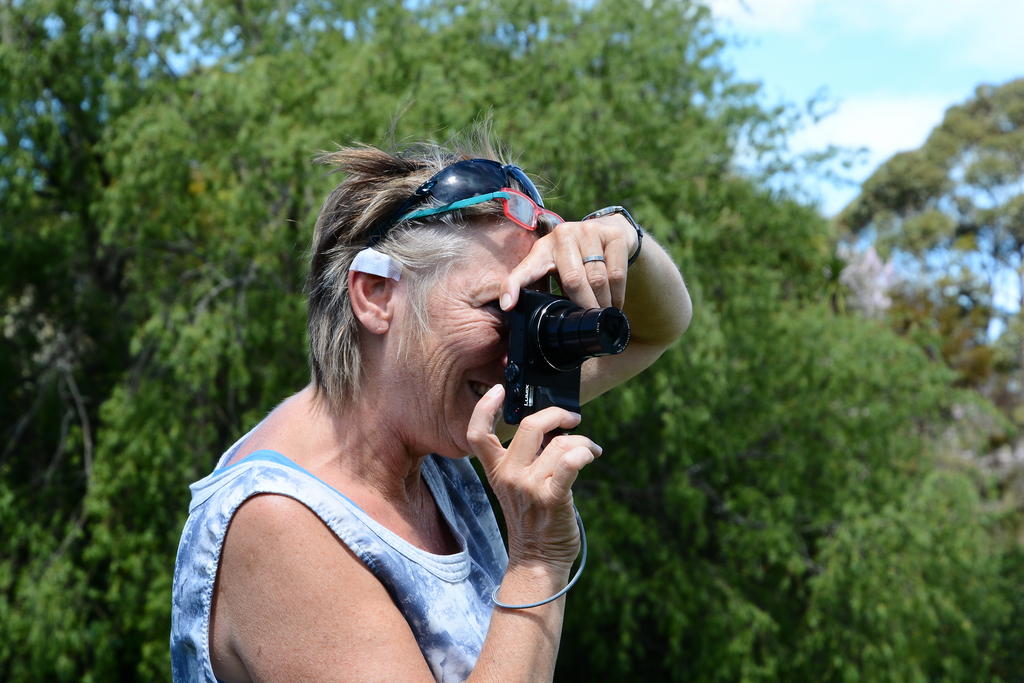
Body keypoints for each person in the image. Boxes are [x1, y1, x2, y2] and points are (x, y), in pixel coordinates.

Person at [170, 134, 691, 681]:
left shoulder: (434, 421)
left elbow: (656, 328)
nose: (519, 347)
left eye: (531, 309)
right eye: (499, 307)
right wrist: (538, 560)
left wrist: (619, 238)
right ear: (376, 294)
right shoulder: (282, 525)